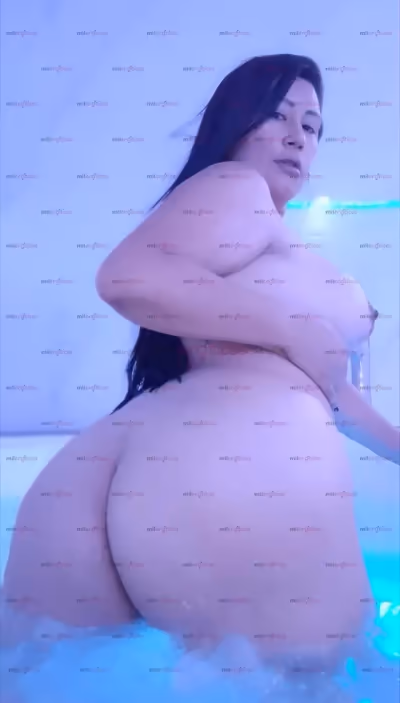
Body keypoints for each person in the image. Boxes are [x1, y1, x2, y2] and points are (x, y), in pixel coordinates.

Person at [3, 54, 399, 681]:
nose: (298, 136)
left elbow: (328, 388)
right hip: (235, 464)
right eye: (278, 115)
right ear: (235, 122)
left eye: (312, 126)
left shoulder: (259, 239)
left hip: (118, 472)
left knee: (59, 677)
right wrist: (295, 326)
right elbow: (128, 276)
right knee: (314, 684)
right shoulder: (237, 188)